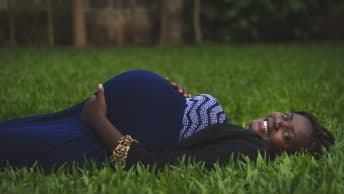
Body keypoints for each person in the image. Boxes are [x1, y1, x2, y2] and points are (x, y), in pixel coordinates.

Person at [0, 70, 335, 170]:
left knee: (21, 143)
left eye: (287, 136)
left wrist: (98, 120)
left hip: (99, 128)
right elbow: (190, 130)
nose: (277, 123)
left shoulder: (247, 150)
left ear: (287, 156)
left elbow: (161, 165)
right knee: (29, 128)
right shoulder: (239, 136)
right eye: (286, 117)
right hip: (108, 115)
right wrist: (183, 101)